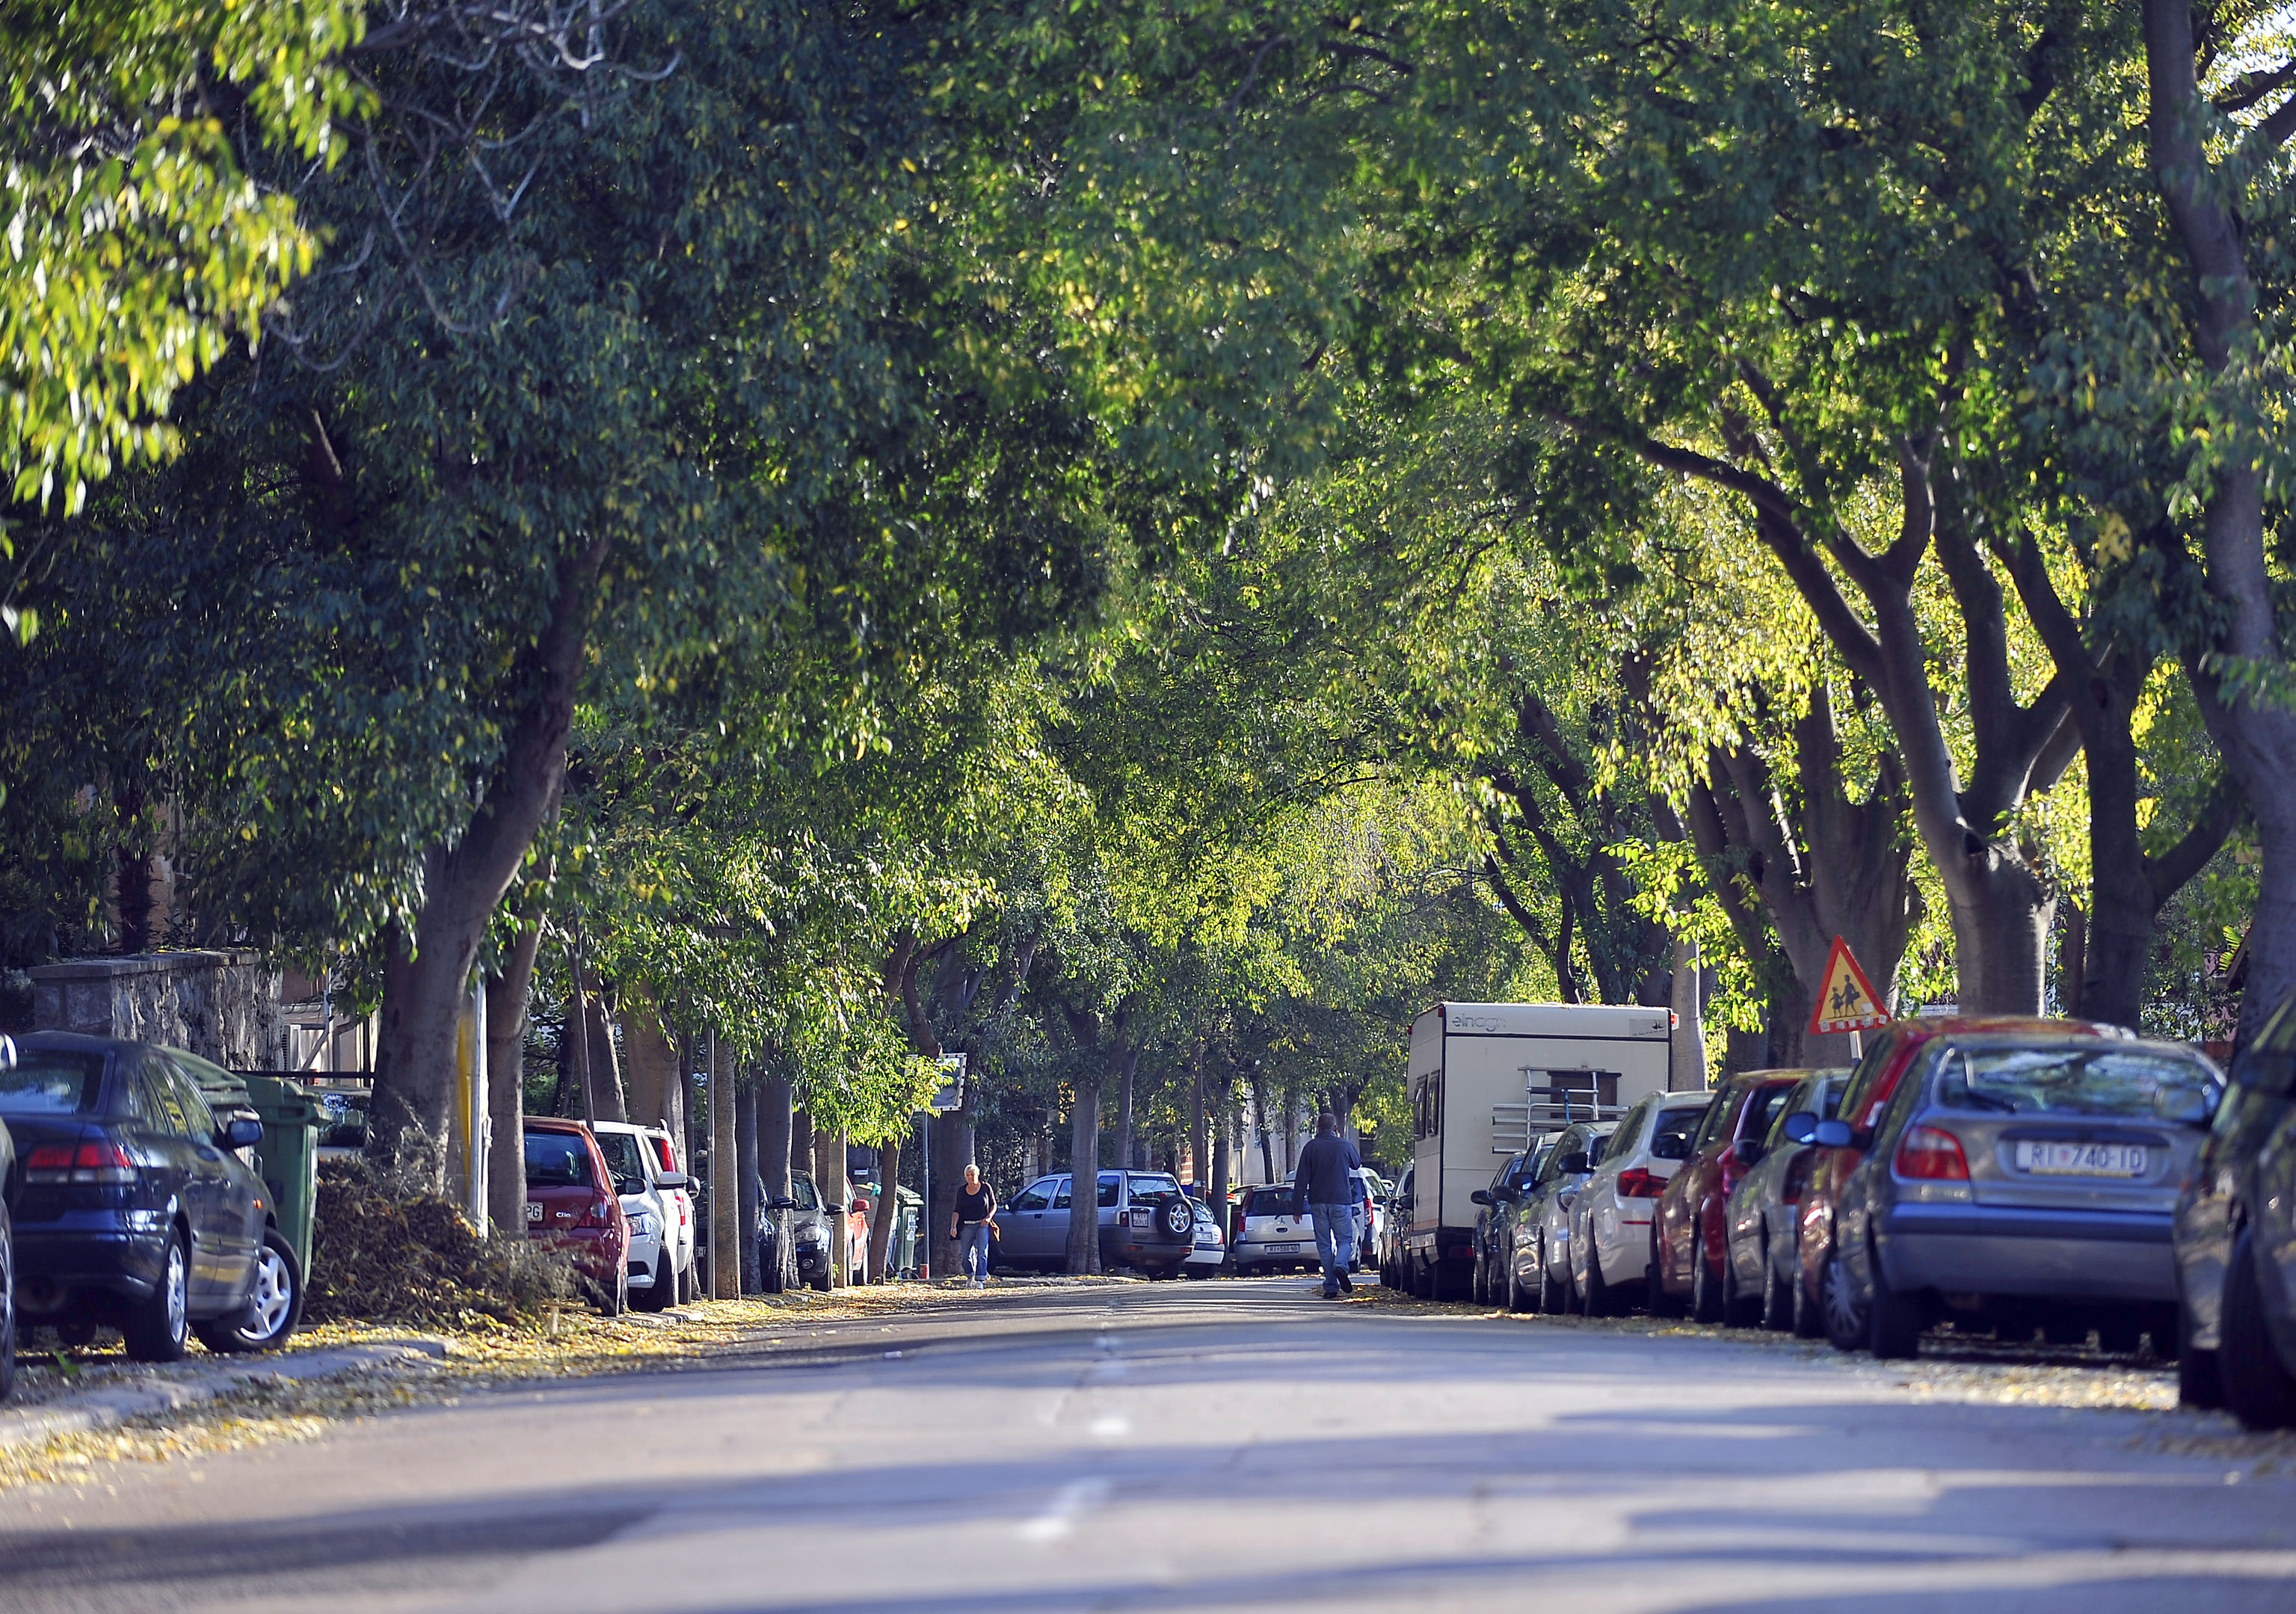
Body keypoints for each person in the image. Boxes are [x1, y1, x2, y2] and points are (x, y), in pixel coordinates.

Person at [1291, 1112, 1364, 1299]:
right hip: (1341, 1200)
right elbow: (1356, 1164)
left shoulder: (1311, 1147)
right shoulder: (1344, 1145)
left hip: (1318, 1201)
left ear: (1318, 1128)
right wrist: (1343, 1141)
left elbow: (1301, 1180)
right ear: (1335, 1128)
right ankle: (1341, 1265)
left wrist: (1297, 1208)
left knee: (1324, 1244)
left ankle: (1331, 1286)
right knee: (1345, 1240)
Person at [950, 1164, 997, 1289]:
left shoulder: (986, 1188)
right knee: (965, 1254)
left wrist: (988, 1218)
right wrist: (953, 1226)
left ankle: (980, 1279)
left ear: (978, 1175)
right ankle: (969, 1275)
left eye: (972, 1175)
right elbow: (957, 1210)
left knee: (983, 1252)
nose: (970, 1178)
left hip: (982, 1224)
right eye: (968, 1175)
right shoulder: (962, 1191)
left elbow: (993, 1205)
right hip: (967, 1225)